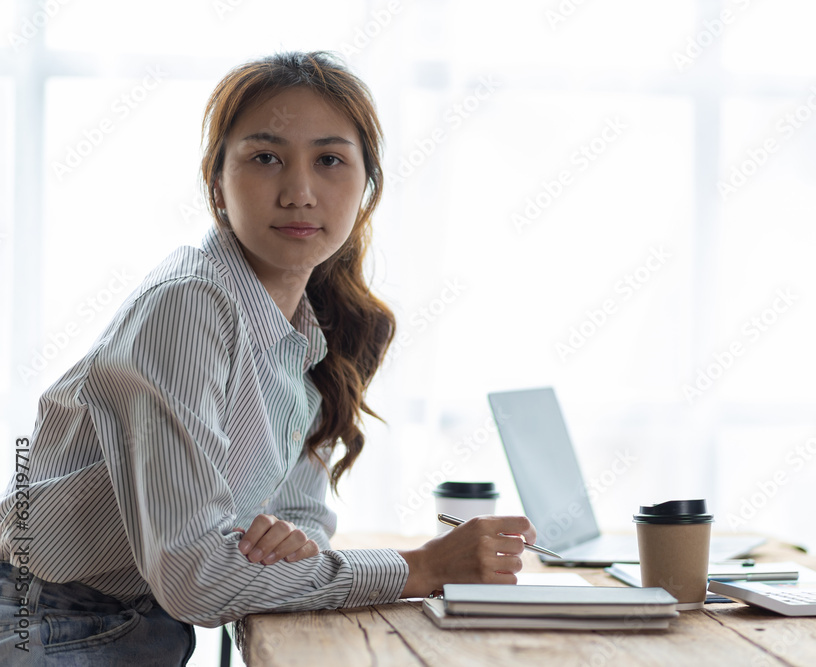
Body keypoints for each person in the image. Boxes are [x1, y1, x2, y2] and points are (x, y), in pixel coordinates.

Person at [0, 51, 536, 665]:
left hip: (134, 627)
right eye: (265, 158)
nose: (299, 192)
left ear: (367, 188)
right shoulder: (189, 308)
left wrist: (291, 549)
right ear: (217, 182)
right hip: (43, 623)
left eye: (330, 160)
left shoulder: (309, 331)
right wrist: (417, 568)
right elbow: (198, 579)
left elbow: (302, 519)